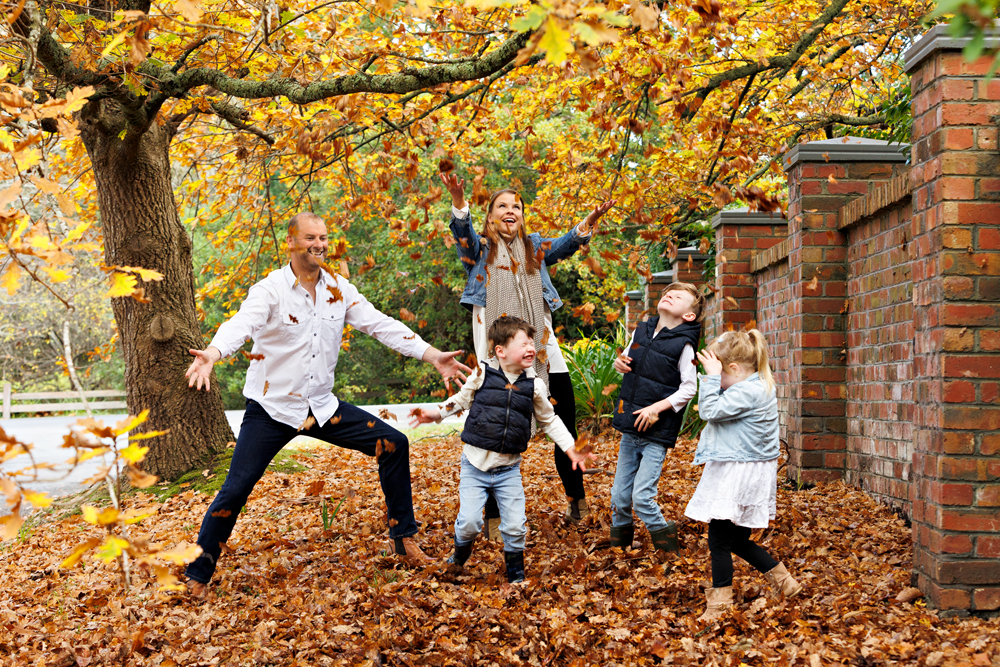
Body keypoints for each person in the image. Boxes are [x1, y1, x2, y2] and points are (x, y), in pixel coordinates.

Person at [182, 212, 472, 597]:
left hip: (322, 408)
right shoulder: (270, 290)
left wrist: (431, 354)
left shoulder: (339, 289)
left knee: (393, 444)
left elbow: (380, 324)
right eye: (310, 237)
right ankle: (198, 574)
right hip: (272, 411)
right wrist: (214, 353)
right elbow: (242, 324)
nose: (319, 244)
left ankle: (403, 539)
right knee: (235, 490)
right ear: (291, 242)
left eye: (323, 237)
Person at [440, 171, 613, 534]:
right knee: (493, 425)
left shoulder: (534, 246)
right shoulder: (480, 250)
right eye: (502, 206)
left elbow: (566, 244)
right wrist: (458, 200)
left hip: (543, 348)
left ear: (522, 214)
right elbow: (463, 236)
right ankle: (491, 517)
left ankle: (577, 499)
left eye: (516, 206)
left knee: (565, 420)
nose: (510, 211)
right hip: (497, 350)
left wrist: (590, 220)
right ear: (489, 217)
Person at [409, 315, 594, 583]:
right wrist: (436, 414)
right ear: (501, 350)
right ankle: (459, 556)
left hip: (508, 469)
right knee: (470, 523)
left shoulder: (534, 385)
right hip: (475, 466)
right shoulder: (483, 373)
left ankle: (516, 575)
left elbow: (550, 420)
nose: (531, 348)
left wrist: (570, 448)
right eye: (523, 344)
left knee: (516, 525)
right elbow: (460, 400)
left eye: (532, 343)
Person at [685, 329, 803, 621]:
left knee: (718, 541)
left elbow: (709, 410)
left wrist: (711, 378)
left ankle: (720, 605)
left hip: (739, 475)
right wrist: (716, 376)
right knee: (735, 540)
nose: (717, 382)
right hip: (746, 470)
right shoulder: (755, 385)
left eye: (721, 375)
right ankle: (785, 583)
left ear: (734, 369)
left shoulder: (747, 391)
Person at [609, 282, 703, 553]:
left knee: (642, 497)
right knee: (619, 495)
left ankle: (668, 550)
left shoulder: (684, 345)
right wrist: (620, 363)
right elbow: (627, 359)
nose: (669, 296)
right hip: (631, 428)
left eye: (678, 296)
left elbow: (689, 388)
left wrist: (656, 408)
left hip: (655, 434)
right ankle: (621, 549)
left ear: (689, 316)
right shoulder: (641, 330)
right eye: (667, 293)